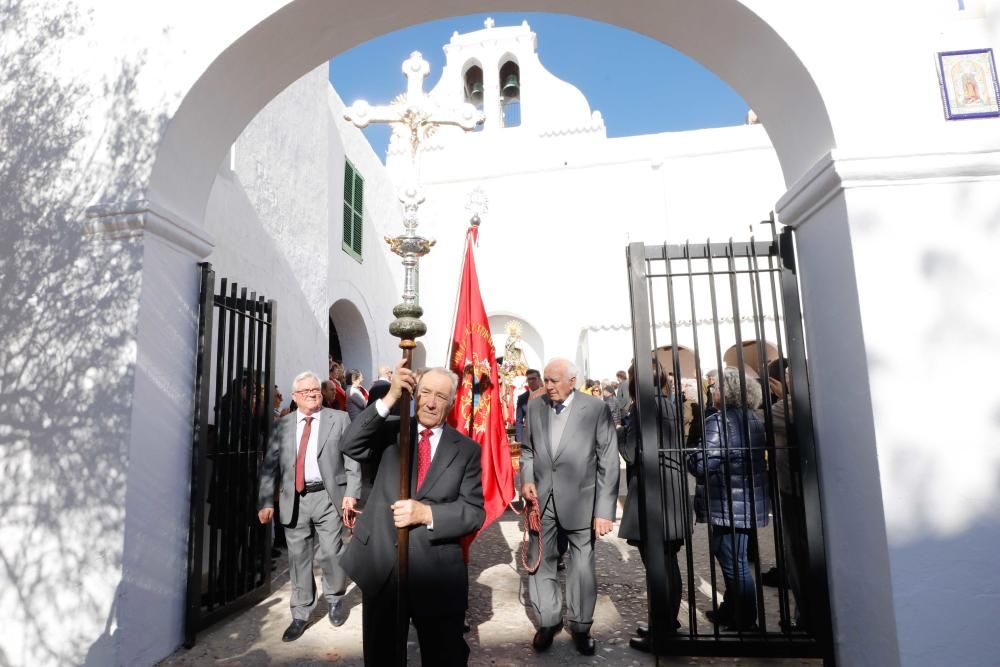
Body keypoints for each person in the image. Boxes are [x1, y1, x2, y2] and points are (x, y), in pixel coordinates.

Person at [339, 360, 485, 667]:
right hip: (383, 565)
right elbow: (350, 443)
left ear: (452, 401)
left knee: (444, 655)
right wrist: (391, 397)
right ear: (415, 393)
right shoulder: (391, 431)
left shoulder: (466, 450)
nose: (431, 402)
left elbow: (473, 512)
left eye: (441, 396)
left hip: (436, 572)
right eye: (426, 392)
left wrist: (426, 514)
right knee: (382, 657)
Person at [520, 358, 619, 656]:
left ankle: (580, 625)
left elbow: (609, 461)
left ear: (572, 381)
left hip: (581, 503)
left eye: (554, 380)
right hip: (542, 503)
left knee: (582, 568)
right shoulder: (535, 407)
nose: (547, 386)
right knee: (541, 562)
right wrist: (526, 478)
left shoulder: (595, 409)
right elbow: (527, 450)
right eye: (546, 380)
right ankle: (548, 621)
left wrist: (604, 510)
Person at [256, 371, 362, 642]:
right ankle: (301, 612)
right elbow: (270, 465)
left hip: (328, 496)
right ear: (295, 397)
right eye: (306, 391)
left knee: (331, 552)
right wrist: (266, 500)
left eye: (316, 389)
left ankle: (335, 597)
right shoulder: (283, 425)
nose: (313, 394)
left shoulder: (338, 419)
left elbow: (352, 458)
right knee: (298, 557)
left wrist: (352, 493)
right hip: (295, 499)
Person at [687, 367, 769, 631]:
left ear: (728, 392)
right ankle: (730, 611)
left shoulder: (720, 421)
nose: (712, 392)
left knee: (734, 564)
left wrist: (691, 454)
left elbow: (701, 463)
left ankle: (746, 622)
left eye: (716, 388)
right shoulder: (752, 418)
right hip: (744, 499)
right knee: (736, 559)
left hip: (728, 502)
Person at [619, 358, 692, 652]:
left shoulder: (642, 408)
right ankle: (667, 621)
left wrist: (620, 430)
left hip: (653, 495)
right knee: (669, 562)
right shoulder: (672, 404)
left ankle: (662, 629)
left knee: (657, 567)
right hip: (673, 493)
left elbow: (631, 453)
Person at [515, 368, 542, 443]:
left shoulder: (547, 395)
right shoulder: (522, 398)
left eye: (534, 378)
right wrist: (519, 440)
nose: (532, 381)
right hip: (527, 439)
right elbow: (519, 421)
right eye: (529, 379)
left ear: (539, 379)